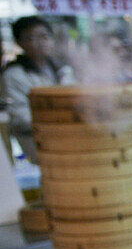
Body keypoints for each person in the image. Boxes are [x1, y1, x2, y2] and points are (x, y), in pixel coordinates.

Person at [1, 16, 76, 162]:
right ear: (19, 43)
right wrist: (58, 120)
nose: (40, 43)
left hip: (67, 142)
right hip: (36, 147)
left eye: (44, 36)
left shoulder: (61, 69)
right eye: (31, 38)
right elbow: (19, 117)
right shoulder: (14, 75)